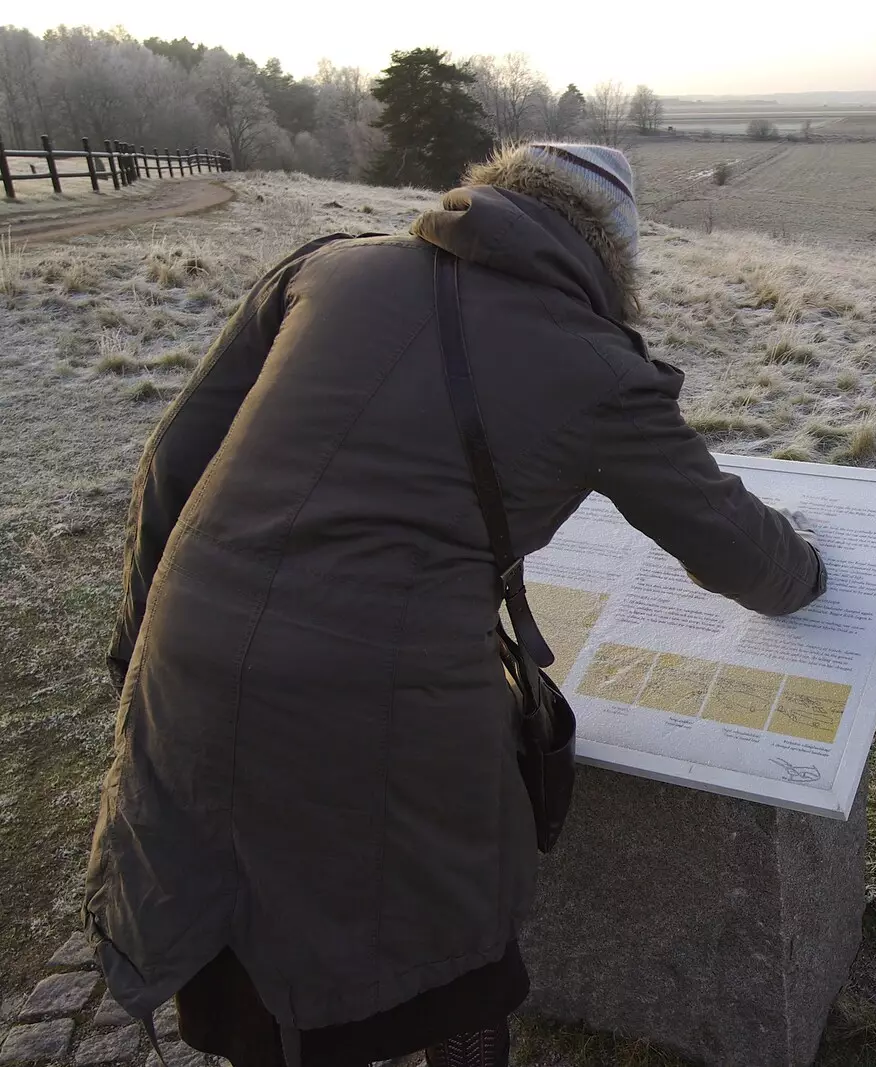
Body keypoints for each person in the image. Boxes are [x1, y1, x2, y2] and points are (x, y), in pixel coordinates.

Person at [82, 143, 827, 1067]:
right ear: (612, 255)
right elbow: (738, 552)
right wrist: (814, 569)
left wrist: (140, 649)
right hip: (386, 695)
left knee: (241, 932)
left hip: (188, 646)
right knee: (445, 944)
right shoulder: (597, 367)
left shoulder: (327, 267)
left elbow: (171, 462)